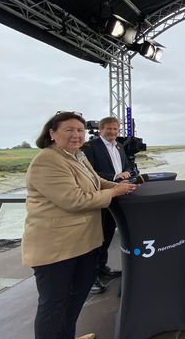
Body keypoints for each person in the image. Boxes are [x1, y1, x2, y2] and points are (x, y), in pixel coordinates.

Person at [22, 111, 137, 339]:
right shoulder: (47, 160)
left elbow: (96, 182)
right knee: (54, 304)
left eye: (80, 130)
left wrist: (120, 185)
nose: (76, 135)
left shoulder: (77, 156)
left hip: (83, 243)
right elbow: (74, 200)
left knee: (75, 298)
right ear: (52, 133)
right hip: (57, 248)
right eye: (69, 130)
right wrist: (114, 192)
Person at [83, 116, 134, 294]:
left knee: (108, 233)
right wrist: (114, 178)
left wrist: (127, 172)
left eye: (115, 129)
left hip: (115, 196)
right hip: (101, 196)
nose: (112, 132)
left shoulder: (119, 146)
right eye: (109, 129)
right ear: (101, 130)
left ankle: (102, 267)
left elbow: (127, 164)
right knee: (97, 237)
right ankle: (90, 277)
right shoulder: (91, 147)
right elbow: (89, 173)